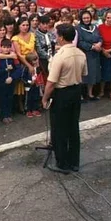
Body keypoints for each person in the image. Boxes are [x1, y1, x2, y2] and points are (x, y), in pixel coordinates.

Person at [42, 23, 88, 174]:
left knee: (59, 129)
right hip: (76, 90)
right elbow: (84, 74)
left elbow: (51, 82)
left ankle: (62, 163)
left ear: (61, 37)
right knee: (73, 127)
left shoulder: (59, 57)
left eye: (57, 35)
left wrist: (44, 98)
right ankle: (74, 161)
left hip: (62, 93)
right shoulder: (81, 53)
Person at [0, 39, 22, 124]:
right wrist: (5, 70)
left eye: (8, 47)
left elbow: (18, 70)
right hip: (1, 82)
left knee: (10, 98)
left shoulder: (14, 57)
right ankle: (4, 115)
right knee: (3, 99)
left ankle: (9, 114)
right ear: (1, 48)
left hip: (11, 81)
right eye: (4, 47)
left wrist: (12, 77)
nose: (6, 49)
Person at [76, 11, 103, 101]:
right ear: (81, 19)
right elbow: (80, 41)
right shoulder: (78, 28)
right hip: (85, 54)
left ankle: (90, 94)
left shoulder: (94, 27)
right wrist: (92, 47)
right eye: (84, 18)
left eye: (88, 18)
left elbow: (100, 37)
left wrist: (99, 43)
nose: (86, 20)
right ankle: (81, 95)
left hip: (95, 55)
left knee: (93, 74)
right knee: (84, 75)